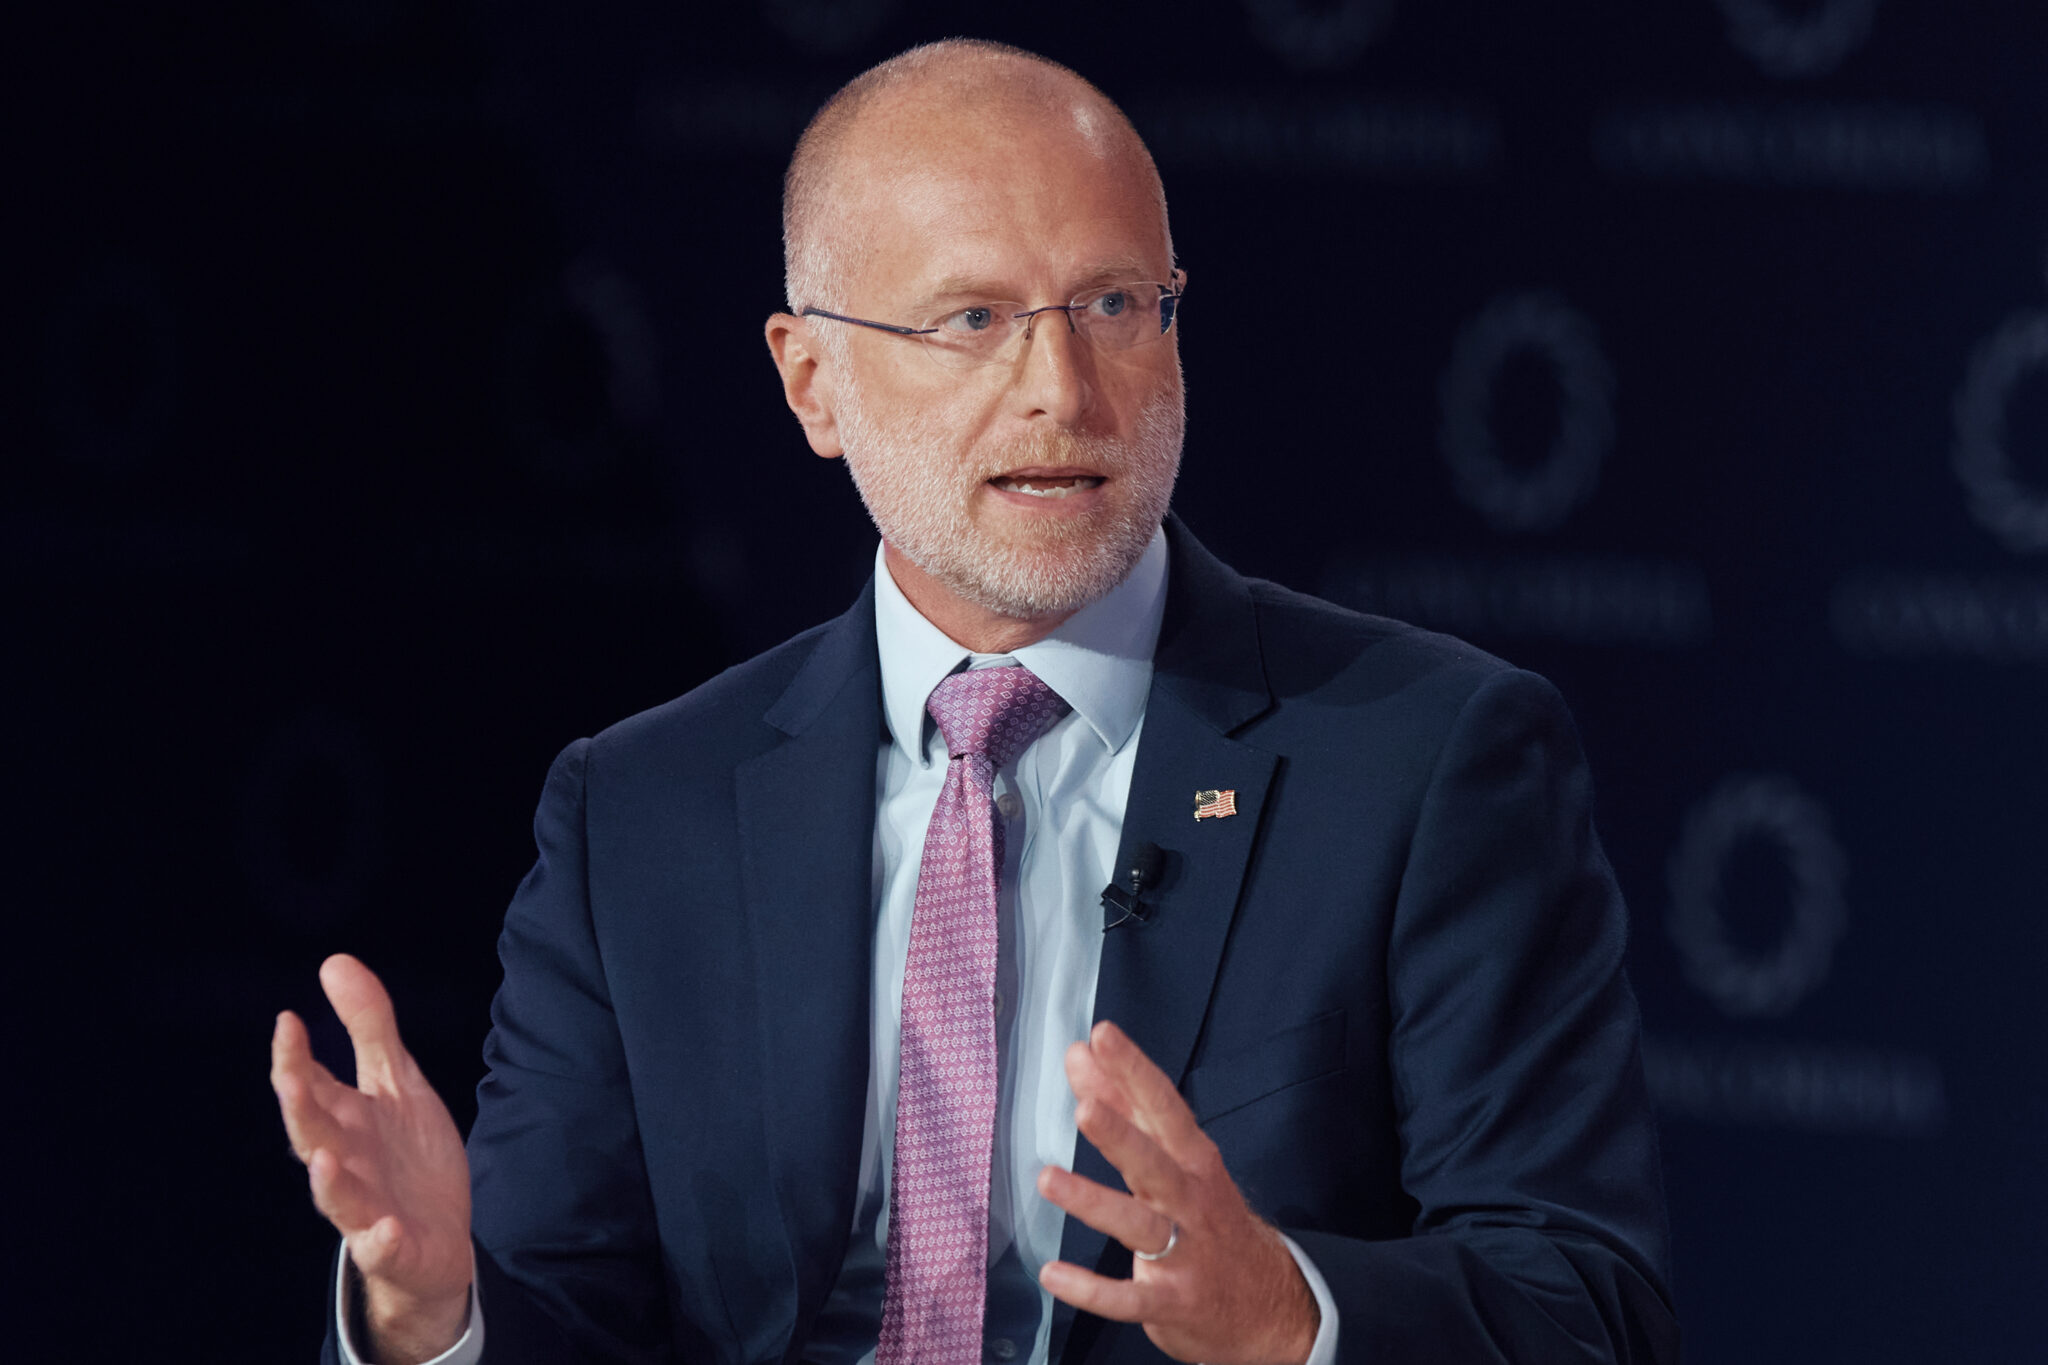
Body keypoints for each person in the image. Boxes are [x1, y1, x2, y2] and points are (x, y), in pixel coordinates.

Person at [271, 38, 1679, 1365]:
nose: (1062, 389)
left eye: (1115, 305)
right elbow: (566, 1317)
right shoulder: (640, 814)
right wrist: (428, 1309)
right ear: (813, 382)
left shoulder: (1427, 759)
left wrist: (1282, 1313)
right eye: (974, 319)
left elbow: (1586, 1305)